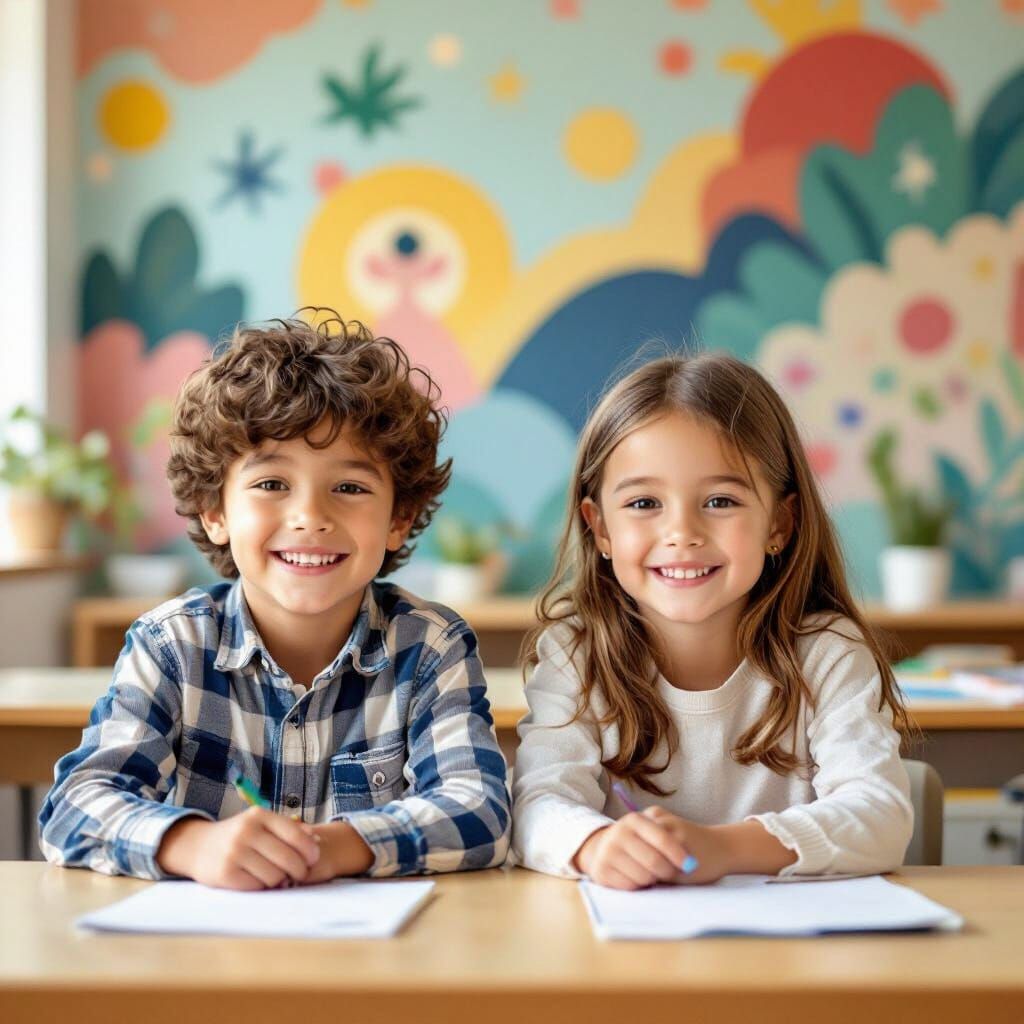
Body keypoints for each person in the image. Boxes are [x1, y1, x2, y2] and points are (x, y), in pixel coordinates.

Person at [40, 312, 510, 888]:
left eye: (350, 487)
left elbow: (481, 811)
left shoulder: (430, 647)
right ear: (215, 512)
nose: (310, 516)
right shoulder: (172, 646)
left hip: (375, 964)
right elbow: (75, 807)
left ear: (399, 518)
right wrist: (192, 844)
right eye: (271, 484)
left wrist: (335, 847)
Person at [512, 351, 913, 889]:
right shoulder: (574, 654)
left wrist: (722, 849)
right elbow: (537, 804)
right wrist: (593, 844)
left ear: (780, 522)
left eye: (721, 500)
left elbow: (881, 814)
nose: (682, 532)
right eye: (644, 503)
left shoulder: (826, 652)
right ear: (599, 527)